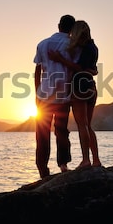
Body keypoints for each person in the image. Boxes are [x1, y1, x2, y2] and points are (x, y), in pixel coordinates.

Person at [49, 20, 101, 169]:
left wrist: (60, 59)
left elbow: (79, 68)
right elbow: (92, 69)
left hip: (80, 86)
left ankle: (86, 160)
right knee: (88, 125)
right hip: (90, 86)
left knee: (82, 125)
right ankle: (96, 159)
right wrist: (92, 71)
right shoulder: (93, 47)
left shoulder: (84, 48)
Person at [33, 15, 75, 178]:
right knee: (62, 130)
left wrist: (36, 92)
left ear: (58, 26)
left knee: (42, 132)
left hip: (44, 94)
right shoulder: (73, 45)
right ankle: (63, 165)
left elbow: (38, 70)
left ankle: (42, 168)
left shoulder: (42, 44)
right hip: (63, 94)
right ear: (72, 29)